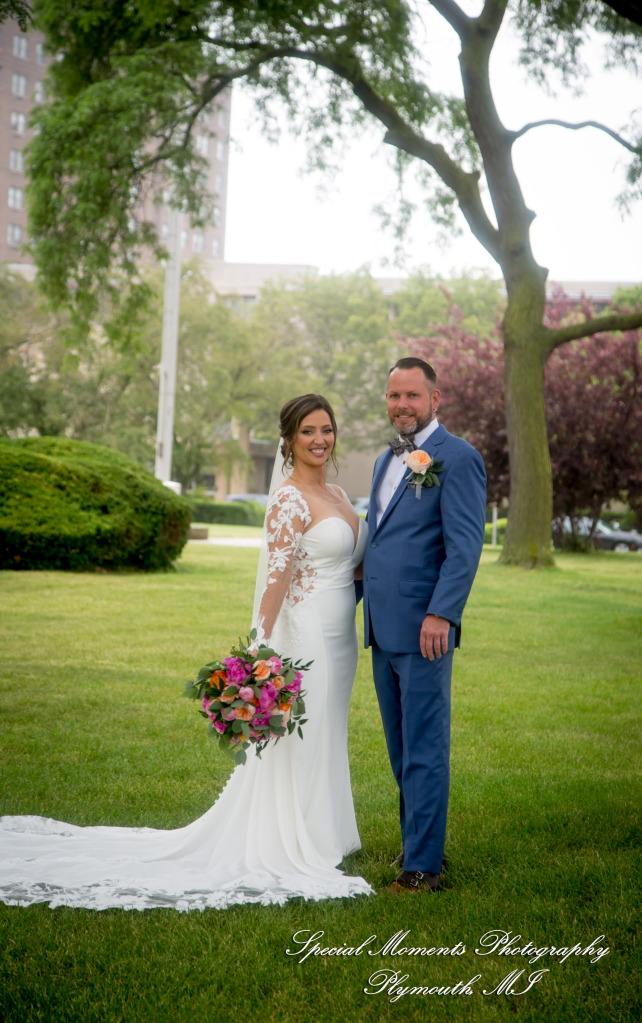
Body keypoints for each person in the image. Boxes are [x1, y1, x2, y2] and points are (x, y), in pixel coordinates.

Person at [0, 394, 372, 910]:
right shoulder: (288, 499)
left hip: (342, 637)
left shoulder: (337, 492)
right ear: (288, 439)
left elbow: (354, 564)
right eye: (307, 431)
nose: (319, 439)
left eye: (326, 429)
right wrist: (259, 648)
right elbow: (276, 579)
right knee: (300, 737)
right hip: (306, 636)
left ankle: (329, 832)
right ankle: (301, 840)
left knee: (329, 728)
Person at [362, 357, 486, 893]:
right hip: (382, 627)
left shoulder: (459, 459)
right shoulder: (384, 460)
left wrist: (442, 613)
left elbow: (464, 547)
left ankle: (422, 869)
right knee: (400, 747)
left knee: (425, 747)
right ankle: (417, 843)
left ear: (435, 399)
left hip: (424, 629)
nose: (402, 405)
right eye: (394, 396)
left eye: (412, 395)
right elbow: (381, 537)